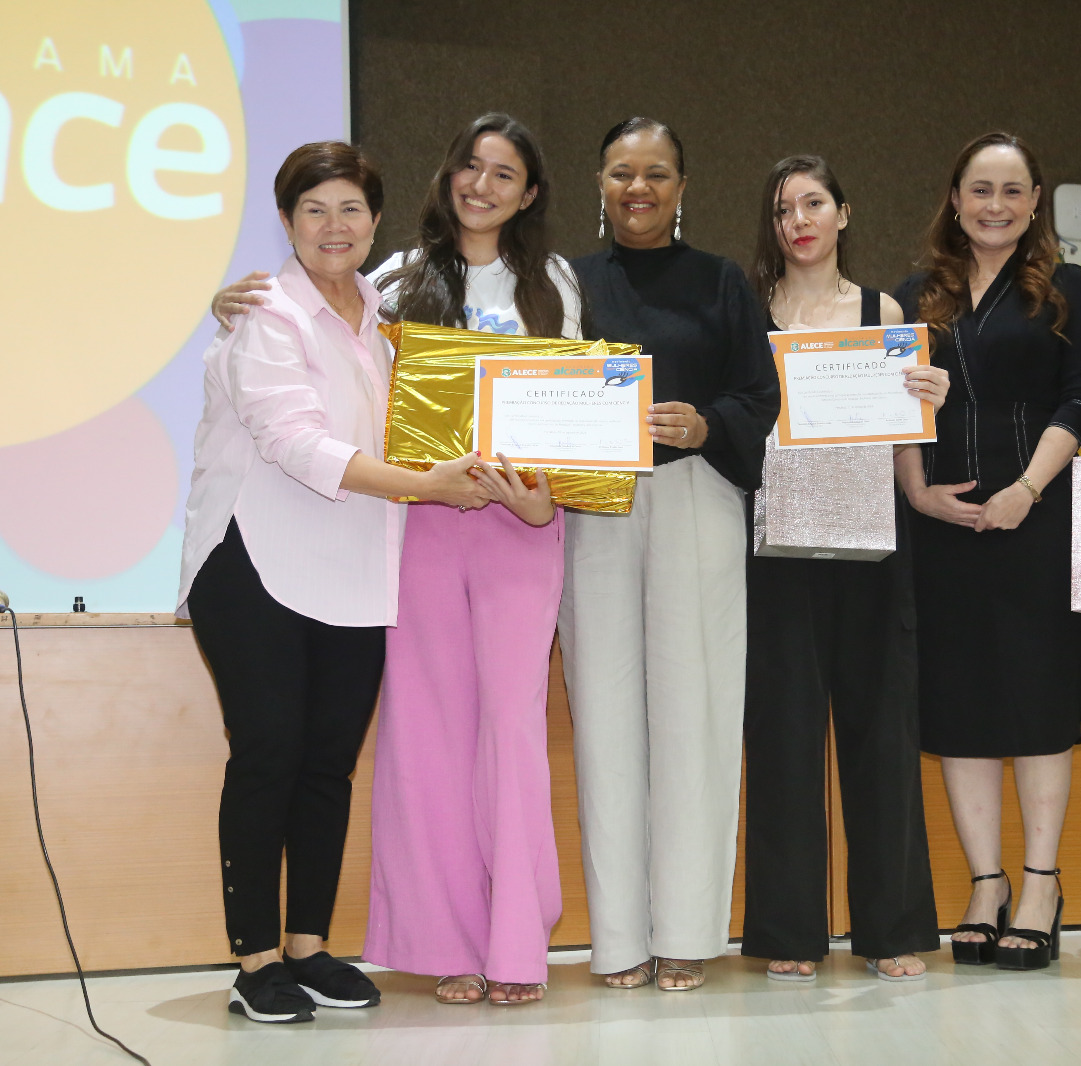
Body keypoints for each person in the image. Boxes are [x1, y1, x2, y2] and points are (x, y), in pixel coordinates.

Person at [213, 114, 580, 1008]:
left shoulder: (557, 284)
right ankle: (444, 941)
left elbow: (574, 404)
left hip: (522, 526)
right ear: (445, 175)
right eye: (469, 166)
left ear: (529, 193)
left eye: (506, 173)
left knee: (513, 737)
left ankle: (514, 942)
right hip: (414, 527)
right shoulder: (392, 281)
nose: (482, 185)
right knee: (426, 742)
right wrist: (224, 303)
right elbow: (313, 358)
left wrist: (546, 497)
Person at [179, 141, 488, 1024]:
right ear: (285, 221)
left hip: (353, 565)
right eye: (313, 210)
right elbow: (294, 441)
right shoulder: (263, 314)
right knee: (269, 752)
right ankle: (255, 960)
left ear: (375, 221)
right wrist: (428, 487)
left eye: (350, 209)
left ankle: (310, 949)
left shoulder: (387, 313)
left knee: (326, 765)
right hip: (252, 561)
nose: (333, 226)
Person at [560, 117, 780, 991]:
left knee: (696, 716)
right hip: (594, 507)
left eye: (656, 173)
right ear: (600, 183)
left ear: (683, 187)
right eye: (621, 172)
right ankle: (617, 940)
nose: (638, 188)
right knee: (605, 718)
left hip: (696, 499)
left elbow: (761, 401)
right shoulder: (563, 283)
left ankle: (688, 933)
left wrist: (706, 423)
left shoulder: (724, 283)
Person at [893, 132, 1081, 971]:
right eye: (980, 190)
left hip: (1039, 522)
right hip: (944, 528)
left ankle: (1043, 883)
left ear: (1034, 201)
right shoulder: (918, 295)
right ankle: (986, 885)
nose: (995, 205)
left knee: (1038, 702)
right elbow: (897, 405)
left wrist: (1027, 489)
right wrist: (917, 493)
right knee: (961, 708)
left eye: (1012, 192)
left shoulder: (1066, 288)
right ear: (955, 199)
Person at [741, 155, 946, 983]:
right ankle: (790, 933)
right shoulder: (748, 311)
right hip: (776, 547)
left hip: (871, 542)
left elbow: (899, 437)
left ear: (843, 214)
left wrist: (923, 415)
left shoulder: (882, 310)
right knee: (785, 738)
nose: (801, 220)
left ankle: (890, 931)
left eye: (815, 203)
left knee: (882, 736)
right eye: (785, 206)